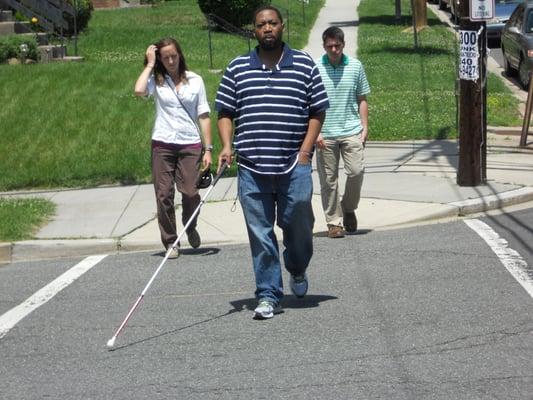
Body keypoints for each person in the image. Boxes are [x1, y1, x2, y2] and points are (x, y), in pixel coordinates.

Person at [215, 6, 329, 319]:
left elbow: (318, 110)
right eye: (261, 24)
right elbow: (225, 111)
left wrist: (305, 152)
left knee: (298, 226)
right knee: (261, 235)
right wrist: (226, 145)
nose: (267, 28)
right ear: (254, 30)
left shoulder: (304, 64)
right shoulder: (238, 67)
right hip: (252, 167)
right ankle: (268, 294)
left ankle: (297, 267)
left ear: (282, 26)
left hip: (295, 165)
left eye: (272, 23)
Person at [134, 37, 213, 258]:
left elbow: (204, 115)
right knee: (163, 194)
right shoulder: (156, 80)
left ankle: (190, 224)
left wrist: (209, 149)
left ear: (180, 55)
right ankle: (171, 241)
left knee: (190, 192)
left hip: (190, 143)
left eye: (174, 56)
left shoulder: (195, 80)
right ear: (160, 58)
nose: (170, 60)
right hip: (163, 143)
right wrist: (149, 64)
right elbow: (139, 91)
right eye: (165, 57)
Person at [315, 27, 370, 239]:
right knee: (329, 180)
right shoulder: (316, 67)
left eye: (337, 45)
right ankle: (333, 222)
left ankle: (348, 208)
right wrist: (315, 133)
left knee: (356, 172)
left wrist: (364, 127)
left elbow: (362, 98)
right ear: (324, 46)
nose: (334, 49)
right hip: (325, 133)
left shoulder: (355, 66)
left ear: (343, 44)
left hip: (352, 130)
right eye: (330, 46)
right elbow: (308, 102)